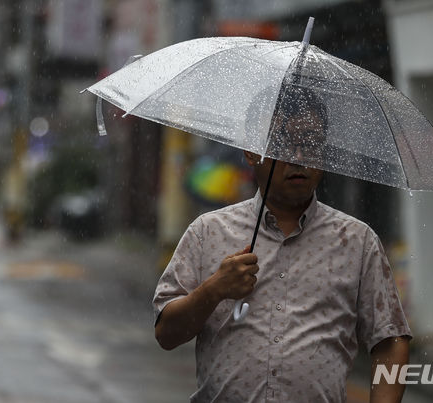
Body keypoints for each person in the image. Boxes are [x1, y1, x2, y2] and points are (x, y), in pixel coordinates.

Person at [153, 86, 412, 402]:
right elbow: (166, 334)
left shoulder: (357, 242)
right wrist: (214, 289)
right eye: (283, 145)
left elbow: (390, 339)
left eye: (311, 144)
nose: (299, 158)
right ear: (251, 152)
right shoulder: (208, 232)